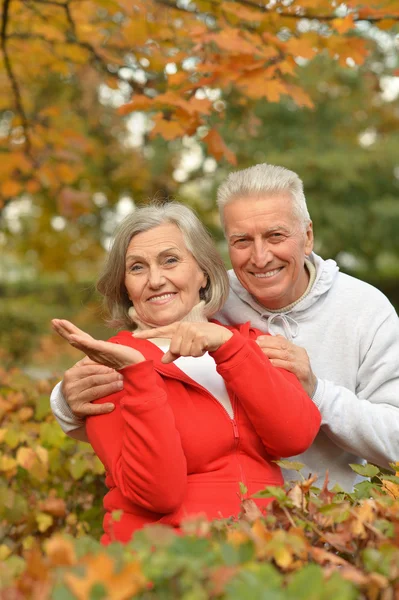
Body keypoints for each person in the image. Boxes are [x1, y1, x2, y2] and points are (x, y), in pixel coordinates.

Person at [51, 163, 399, 491]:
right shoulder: (207, 299)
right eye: (242, 241)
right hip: (238, 518)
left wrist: (319, 394)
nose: (260, 257)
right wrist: (66, 402)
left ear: (307, 237)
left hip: (335, 518)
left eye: (275, 236)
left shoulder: (365, 310)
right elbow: (140, 385)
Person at [51, 202, 320, 544]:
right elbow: (156, 493)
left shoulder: (251, 344)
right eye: (137, 268)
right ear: (125, 286)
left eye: (170, 260)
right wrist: (138, 374)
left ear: (203, 272)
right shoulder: (111, 365)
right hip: (168, 565)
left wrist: (230, 348)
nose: (155, 280)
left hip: (264, 557)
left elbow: (294, 437)